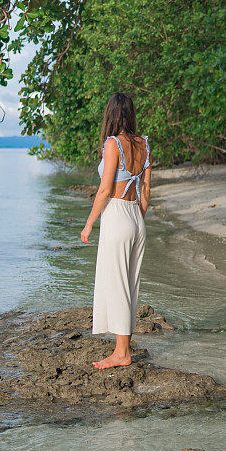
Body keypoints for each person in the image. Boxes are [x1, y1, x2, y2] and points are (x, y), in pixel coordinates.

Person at [80, 92, 152, 369]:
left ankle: (122, 354)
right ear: (130, 113)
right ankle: (123, 348)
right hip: (136, 215)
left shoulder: (113, 144)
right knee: (130, 284)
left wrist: (88, 225)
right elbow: (145, 189)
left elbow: (105, 190)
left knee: (119, 283)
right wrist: (137, 218)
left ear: (111, 114)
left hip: (118, 215)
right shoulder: (143, 144)